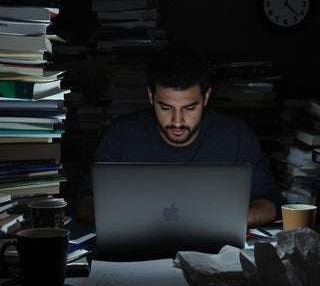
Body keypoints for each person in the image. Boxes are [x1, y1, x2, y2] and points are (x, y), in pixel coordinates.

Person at [76, 44, 282, 227]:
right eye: (165, 107)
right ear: (151, 96)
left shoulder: (237, 137)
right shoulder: (121, 135)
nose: (177, 121)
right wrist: (131, 220)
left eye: (189, 108)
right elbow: (85, 202)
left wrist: (232, 219)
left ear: (206, 97)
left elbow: (271, 201)